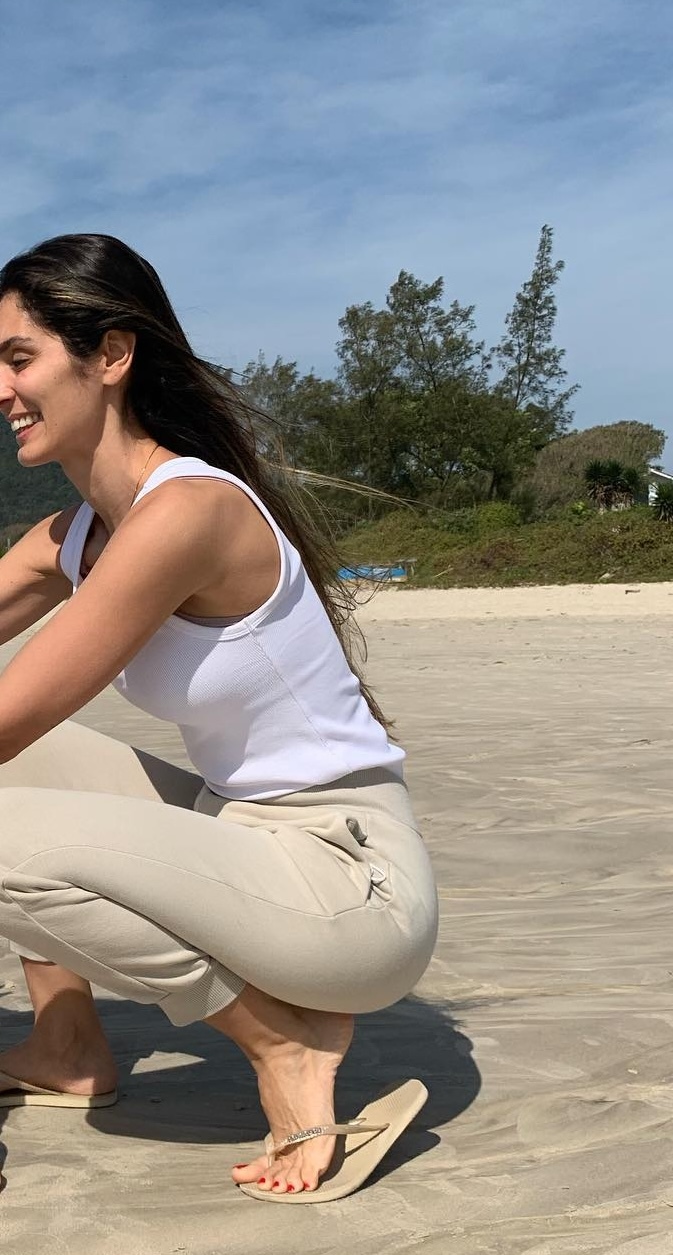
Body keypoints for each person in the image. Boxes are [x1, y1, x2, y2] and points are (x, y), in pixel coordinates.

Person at [0, 234, 438, 1204]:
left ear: (111, 355)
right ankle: (67, 1043)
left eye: (18, 358)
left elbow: (8, 712)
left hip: (351, 886)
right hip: (243, 833)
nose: (1, 388)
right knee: (21, 779)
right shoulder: (79, 534)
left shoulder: (187, 513)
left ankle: (284, 1043)